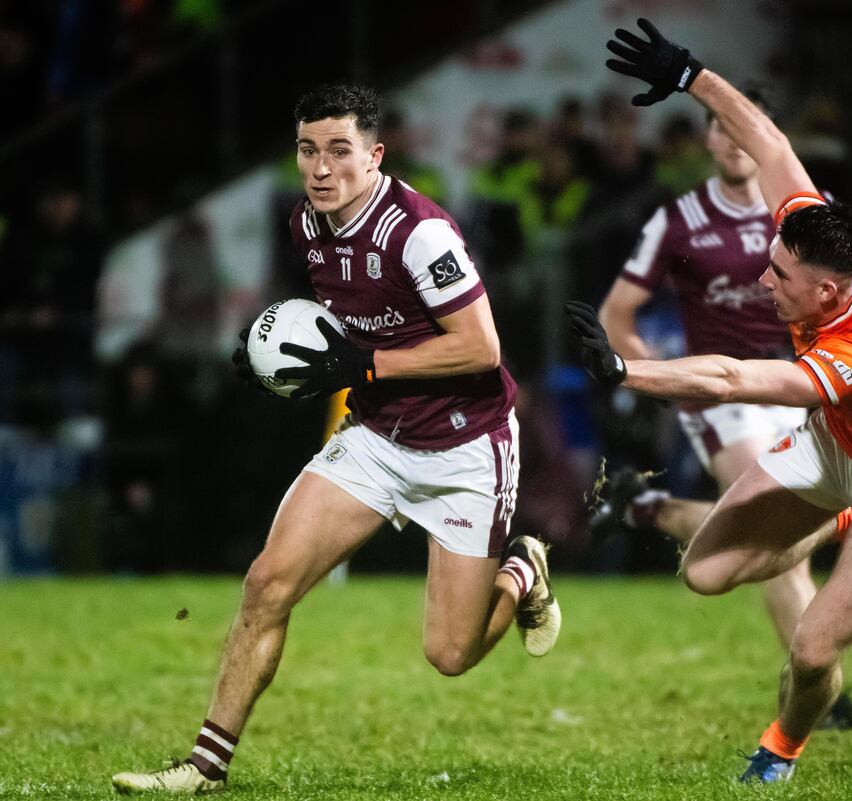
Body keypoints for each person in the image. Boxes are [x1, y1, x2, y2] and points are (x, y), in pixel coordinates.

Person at [112, 84, 561, 794]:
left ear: (375, 156)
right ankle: (204, 767)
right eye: (307, 150)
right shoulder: (307, 224)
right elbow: (348, 322)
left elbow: (480, 347)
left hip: (465, 444)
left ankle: (522, 572)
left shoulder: (420, 231)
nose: (321, 168)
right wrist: (277, 356)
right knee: (267, 583)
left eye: (339, 151)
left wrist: (364, 364)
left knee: (450, 653)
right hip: (378, 436)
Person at [566, 19, 852, 783]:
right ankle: (838, 521)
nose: (764, 281)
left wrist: (626, 371)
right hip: (844, 443)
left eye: (778, 278)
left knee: (814, 650)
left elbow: (732, 378)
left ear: (826, 291)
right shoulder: (807, 228)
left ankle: (778, 752)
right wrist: (689, 72)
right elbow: (764, 134)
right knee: (704, 573)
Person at [591, 85, 852, 730]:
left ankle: (641, 506)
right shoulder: (680, 219)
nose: (734, 137)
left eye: (747, 125)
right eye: (720, 127)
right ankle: (819, 693)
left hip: (799, 385)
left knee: (766, 532)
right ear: (710, 140)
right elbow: (617, 314)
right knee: (773, 528)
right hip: (723, 395)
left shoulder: (808, 215)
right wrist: (650, 379)